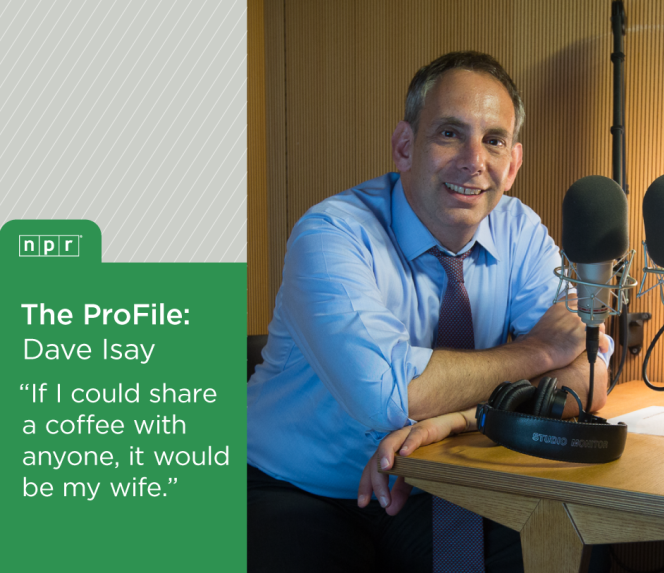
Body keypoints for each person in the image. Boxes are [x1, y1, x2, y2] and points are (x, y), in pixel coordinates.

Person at [247, 51, 613, 573]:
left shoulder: (522, 231)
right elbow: (389, 397)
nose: (473, 160)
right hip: (298, 487)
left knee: (566, 546)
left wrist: (459, 421)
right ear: (404, 145)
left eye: (494, 140)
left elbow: (591, 365)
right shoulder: (331, 234)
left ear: (512, 164)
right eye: (448, 133)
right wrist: (538, 351)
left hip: (438, 479)